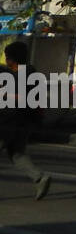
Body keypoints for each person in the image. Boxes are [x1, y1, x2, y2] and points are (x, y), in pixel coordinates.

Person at [1, 41, 51, 200]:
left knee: (16, 153)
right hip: (28, 122)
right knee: (17, 154)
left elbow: (21, 98)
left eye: (7, 57)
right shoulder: (33, 73)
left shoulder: (19, 76)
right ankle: (39, 177)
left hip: (10, 122)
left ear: (11, 59)